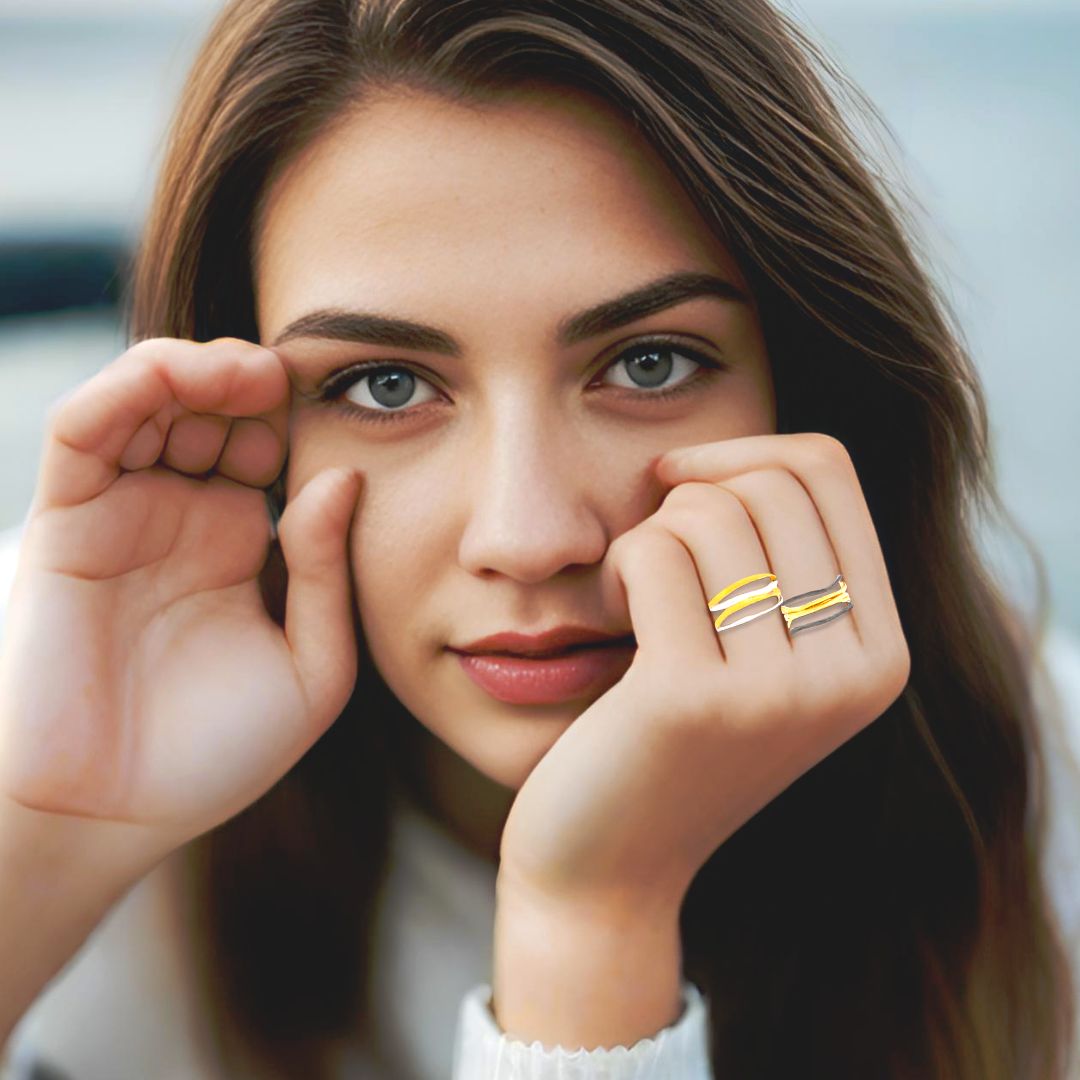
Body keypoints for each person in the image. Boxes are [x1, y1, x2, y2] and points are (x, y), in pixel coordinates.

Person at [1, 0, 1077, 1077]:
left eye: (649, 363)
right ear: (256, 434)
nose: (529, 537)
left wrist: (593, 910)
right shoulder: (86, 687)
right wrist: (53, 831)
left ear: (813, 390)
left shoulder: (1054, 802)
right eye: (385, 385)